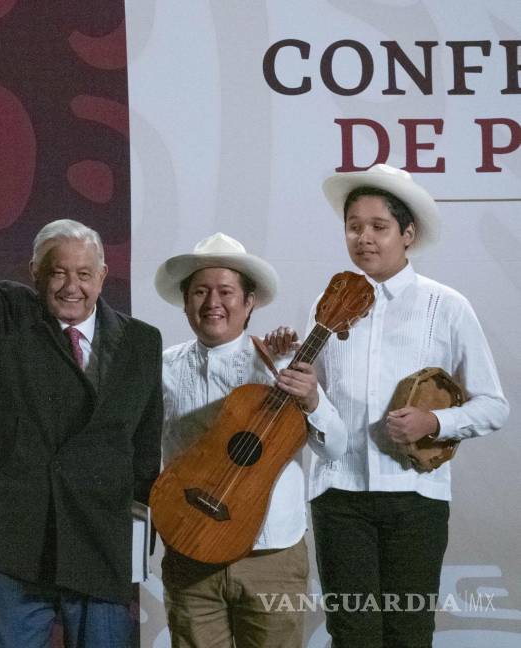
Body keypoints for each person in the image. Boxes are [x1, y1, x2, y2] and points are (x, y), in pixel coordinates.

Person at [0, 134, 163, 647]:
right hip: (18, 539)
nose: (71, 286)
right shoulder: (9, 316)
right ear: (36, 273)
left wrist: (140, 519)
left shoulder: (141, 343)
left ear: (103, 276)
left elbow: (145, 448)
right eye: (57, 272)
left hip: (98, 539)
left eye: (84, 273)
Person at [267, 164, 509, 648]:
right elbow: (320, 405)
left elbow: (494, 406)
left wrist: (435, 421)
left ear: (408, 234)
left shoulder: (446, 306)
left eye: (379, 227)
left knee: (409, 632)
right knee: (352, 633)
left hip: (416, 498)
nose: (364, 238)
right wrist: (287, 366)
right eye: (354, 226)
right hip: (339, 496)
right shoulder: (328, 302)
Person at [154, 232, 346, 648]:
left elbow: (334, 448)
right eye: (200, 292)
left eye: (226, 291)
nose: (212, 303)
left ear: (249, 301)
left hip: (271, 556)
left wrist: (312, 398)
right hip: (191, 549)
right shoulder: (162, 367)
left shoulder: (282, 364)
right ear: (185, 301)